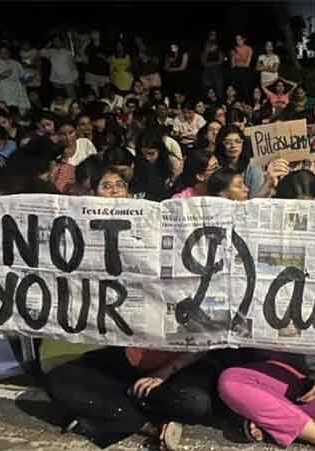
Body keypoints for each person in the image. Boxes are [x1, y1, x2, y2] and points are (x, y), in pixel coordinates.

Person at [43, 167, 218, 450]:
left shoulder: (159, 229)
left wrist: (165, 373)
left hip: (173, 360)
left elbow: (210, 327)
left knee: (196, 402)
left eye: (119, 185)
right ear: (92, 196)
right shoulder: (79, 244)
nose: (113, 191)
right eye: (105, 186)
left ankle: (110, 416)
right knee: (59, 381)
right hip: (121, 357)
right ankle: (150, 421)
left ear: (130, 193)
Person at [0, 43, 31, 113]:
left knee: (22, 115)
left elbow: (23, 79)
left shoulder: (16, 63)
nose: (4, 54)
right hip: (3, 97)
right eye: (2, 52)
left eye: (6, 52)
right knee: (5, 115)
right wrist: (2, 75)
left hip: (19, 96)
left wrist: (28, 78)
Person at [40, 34, 79, 99]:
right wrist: (48, 45)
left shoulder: (67, 52)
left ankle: (78, 108)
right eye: (54, 41)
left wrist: (76, 78)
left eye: (58, 41)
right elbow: (41, 53)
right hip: (56, 78)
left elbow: (73, 66)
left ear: (62, 41)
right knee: (59, 98)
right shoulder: (51, 52)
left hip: (67, 78)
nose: (56, 42)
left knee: (72, 97)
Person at [230, 34, 254, 100]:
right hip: (236, 72)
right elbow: (233, 65)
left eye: (240, 39)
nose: (238, 41)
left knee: (246, 91)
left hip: (245, 72)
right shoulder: (234, 49)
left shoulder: (249, 48)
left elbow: (247, 64)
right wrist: (232, 56)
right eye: (236, 40)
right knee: (236, 91)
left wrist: (238, 64)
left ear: (243, 39)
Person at [201, 30, 225, 95]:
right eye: (211, 34)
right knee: (207, 86)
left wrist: (215, 62)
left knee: (219, 86)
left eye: (214, 34)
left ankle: (220, 100)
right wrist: (208, 50)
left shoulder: (219, 47)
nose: (213, 36)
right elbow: (203, 62)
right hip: (207, 70)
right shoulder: (205, 46)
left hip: (216, 70)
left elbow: (221, 61)